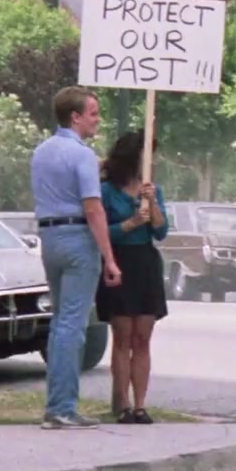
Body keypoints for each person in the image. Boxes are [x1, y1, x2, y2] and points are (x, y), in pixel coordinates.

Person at [30, 86, 121, 429]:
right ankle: (62, 408)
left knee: (60, 324)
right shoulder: (81, 155)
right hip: (78, 238)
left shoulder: (42, 152)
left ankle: (58, 403)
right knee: (73, 326)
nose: (98, 120)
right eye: (93, 113)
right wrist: (109, 258)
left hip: (49, 237)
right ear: (75, 116)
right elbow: (93, 208)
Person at [96, 130, 169, 424]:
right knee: (123, 335)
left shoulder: (151, 190)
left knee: (143, 337)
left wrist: (152, 206)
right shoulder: (106, 191)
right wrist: (131, 222)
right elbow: (102, 232)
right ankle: (123, 404)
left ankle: (141, 404)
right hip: (119, 261)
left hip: (145, 263)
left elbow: (161, 231)